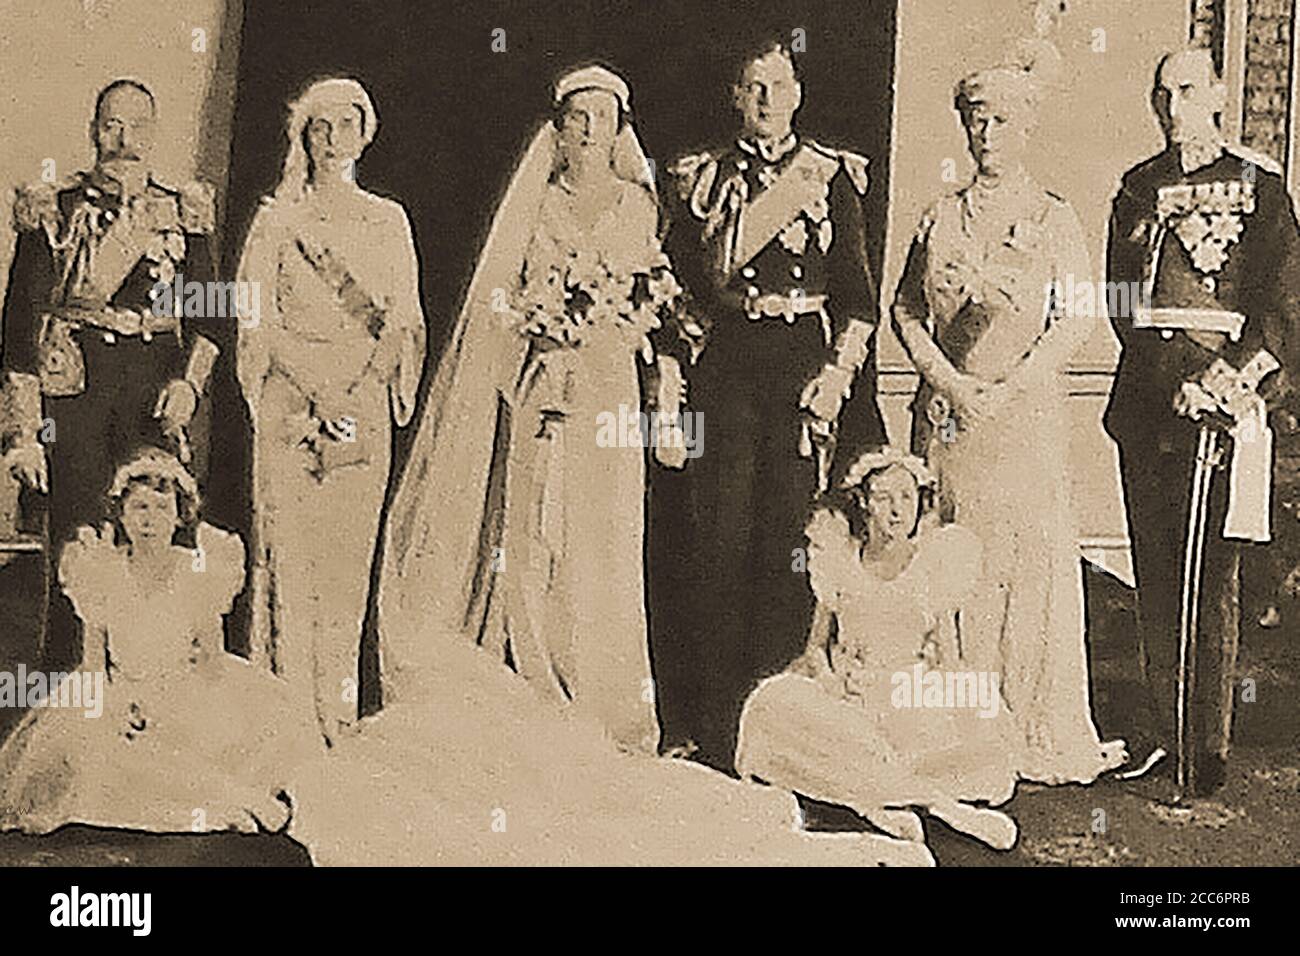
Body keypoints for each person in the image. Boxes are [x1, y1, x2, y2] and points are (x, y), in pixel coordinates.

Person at [379, 65, 688, 753]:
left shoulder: (638, 205)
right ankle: (537, 674)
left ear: (618, 130)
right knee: (536, 530)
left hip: (607, 389)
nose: (587, 131)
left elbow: (650, 304)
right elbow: (501, 297)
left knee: (604, 535)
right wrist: (537, 327)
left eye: (600, 119)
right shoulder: (539, 203)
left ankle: (606, 696)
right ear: (559, 128)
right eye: (575, 118)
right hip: (543, 383)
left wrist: (618, 333)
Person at [892, 40, 1126, 784]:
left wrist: (1010, 386)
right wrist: (948, 383)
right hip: (952, 421)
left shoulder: (1052, 219)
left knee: (1018, 565)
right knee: (952, 561)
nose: (987, 134)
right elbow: (905, 311)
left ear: (1026, 129)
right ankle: (955, 723)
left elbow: (1077, 319)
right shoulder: (940, 216)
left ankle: (1022, 721)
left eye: (1000, 121)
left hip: (1021, 420)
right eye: (976, 121)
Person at [653, 40, 888, 768]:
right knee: (717, 543)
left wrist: (836, 377)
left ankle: (777, 725)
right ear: (734, 96)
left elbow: (856, 301)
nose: (765, 99)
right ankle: (714, 723)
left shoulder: (831, 176)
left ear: (797, 94)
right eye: (751, 87)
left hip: (798, 368)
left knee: (788, 547)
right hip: (727, 367)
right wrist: (673, 380)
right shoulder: (699, 179)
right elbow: (680, 295)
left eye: (777, 86)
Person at [1104, 48, 1300, 795]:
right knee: (1156, 573)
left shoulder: (1261, 188)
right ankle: (1163, 731)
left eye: (1186, 89)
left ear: (1216, 93)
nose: (1171, 104)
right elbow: (1123, 302)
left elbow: (1282, 309)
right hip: (1148, 401)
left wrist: (1220, 382)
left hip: (1222, 400)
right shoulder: (1136, 187)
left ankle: (1206, 748)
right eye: (1161, 93)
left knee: (1211, 577)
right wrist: (1167, 380)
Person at [1, 78, 222, 670]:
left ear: (154, 134)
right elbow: (20, 331)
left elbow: (211, 318)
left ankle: (156, 705)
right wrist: (25, 436)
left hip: (153, 394)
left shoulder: (182, 211)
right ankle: (74, 696)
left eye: (138, 127)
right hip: (75, 395)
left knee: (156, 544)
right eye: (112, 125)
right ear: (94, 130)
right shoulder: (55, 208)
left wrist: (189, 385)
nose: (124, 139)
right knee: (78, 546)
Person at [235, 77, 426, 747]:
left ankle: (336, 719)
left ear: (365, 133)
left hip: (360, 402)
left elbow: (402, 320)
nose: (333, 139)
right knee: (289, 556)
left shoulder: (387, 221)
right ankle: (285, 718)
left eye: (347, 125)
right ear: (304, 136)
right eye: (321, 127)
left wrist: (353, 387)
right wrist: (310, 383)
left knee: (347, 563)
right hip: (292, 397)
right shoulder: (277, 220)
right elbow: (255, 319)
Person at [0, 449, 303, 834]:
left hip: (183, 690)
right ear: (121, 515)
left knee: (212, 739)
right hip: (119, 690)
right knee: (92, 748)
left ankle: (220, 797)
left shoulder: (199, 571)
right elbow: (94, 663)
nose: (149, 520)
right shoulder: (100, 570)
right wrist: (114, 706)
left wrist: (169, 703)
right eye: (139, 508)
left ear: (179, 516)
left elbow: (211, 663)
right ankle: (198, 798)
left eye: (162, 508)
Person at [736, 449, 1021, 851]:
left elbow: (950, 659)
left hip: (908, 693)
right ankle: (916, 806)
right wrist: (830, 681)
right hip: (851, 692)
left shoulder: (933, 565)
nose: (897, 510)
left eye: (906, 498)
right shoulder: (839, 559)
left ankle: (886, 799)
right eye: (885, 498)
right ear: (865, 503)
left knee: (968, 721)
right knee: (770, 705)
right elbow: (815, 647)